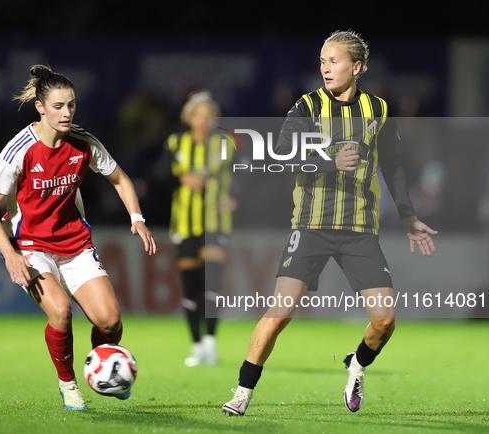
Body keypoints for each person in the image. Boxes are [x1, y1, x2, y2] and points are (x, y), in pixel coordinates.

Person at [222, 30, 437, 416]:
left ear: (356, 68)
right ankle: (242, 392)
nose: (326, 67)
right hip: (311, 226)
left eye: (334, 60)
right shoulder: (307, 106)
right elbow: (282, 154)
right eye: (322, 60)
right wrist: (328, 161)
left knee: (385, 320)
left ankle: (357, 364)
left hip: (359, 232)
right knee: (279, 314)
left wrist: (408, 216)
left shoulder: (378, 110)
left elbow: (394, 166)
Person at [0, 65, 157, 411]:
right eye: (58, 106)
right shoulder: (18, 151)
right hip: (32, 248)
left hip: (75, 246)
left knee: (109, 321)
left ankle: (103, 370)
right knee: (60, 312)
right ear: (40, 108)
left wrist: (137, 218)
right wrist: (9, 254)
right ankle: (69, 384)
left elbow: (120, 178)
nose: (66, 113)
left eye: (71, 105)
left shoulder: (83, 142)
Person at [165, 91, 234, 367]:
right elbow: (156, 176)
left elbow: (245, 174)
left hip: (216, 222)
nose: (204, 120)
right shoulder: (175, 143)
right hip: (184, 223)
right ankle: (195, 345)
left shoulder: (227, 144)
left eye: (210, 115)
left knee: (212, 282)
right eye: (199, 115)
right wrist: (182, 175)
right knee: (191, 287)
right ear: (189, 118)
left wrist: (235, 197)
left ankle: (211, 343)